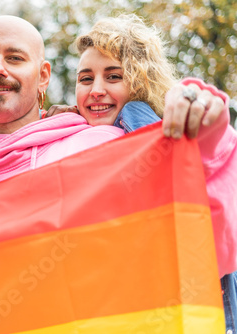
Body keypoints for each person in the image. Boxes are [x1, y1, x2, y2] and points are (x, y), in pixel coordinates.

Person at [0, 15, 236, 277]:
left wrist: (209, 139)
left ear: (44, 76)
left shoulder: (106, 146)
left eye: (15, 58)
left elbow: (204, 230)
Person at [73, 14, 237, 332]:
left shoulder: (154, 129)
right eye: (85, 78)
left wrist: (205, 115)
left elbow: (211, 157)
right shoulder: (75, 133)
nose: (96, 89)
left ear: (140, 82)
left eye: (113, 76)